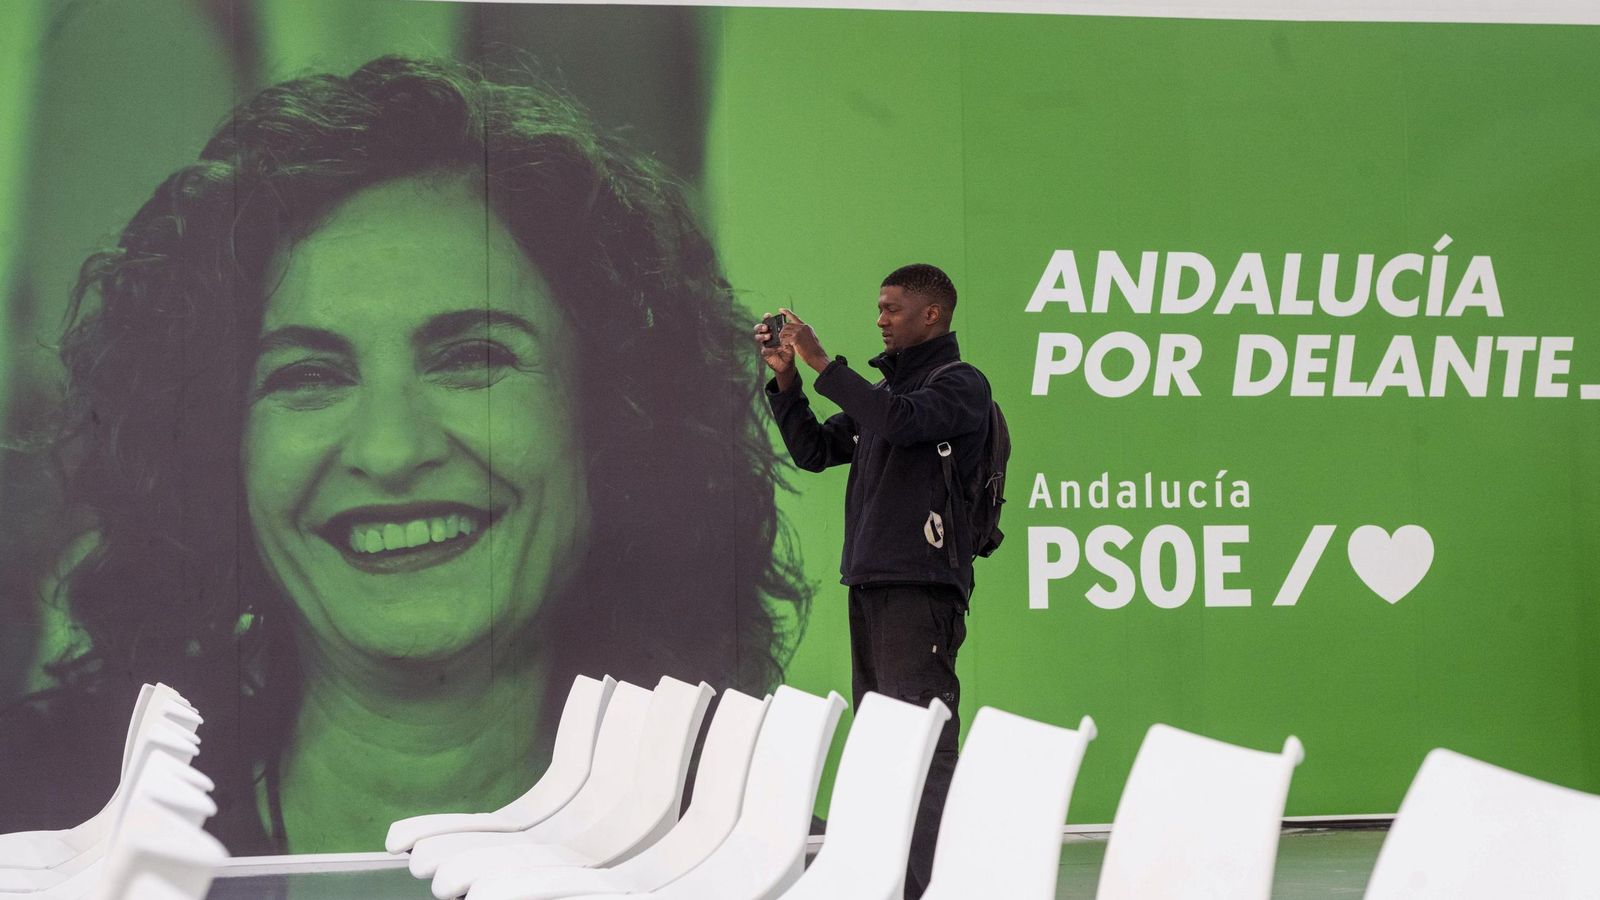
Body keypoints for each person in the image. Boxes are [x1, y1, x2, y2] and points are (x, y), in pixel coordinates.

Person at [0, 56, 807, 854]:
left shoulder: (788, 873)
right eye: (308, 374)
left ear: (612, 419)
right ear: (218, 454)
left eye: (471, 359)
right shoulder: (35, 824)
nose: (391, 451)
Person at [755, 263, 991, 900]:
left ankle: (938, 886)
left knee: (925, 738)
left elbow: (903, 422)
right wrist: (787, 379)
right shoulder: (885, 397)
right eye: (879, 309)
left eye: (891, 309)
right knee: (889, 742)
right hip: (873, 584)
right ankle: (897, 882)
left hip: (922, 587)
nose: (880, 319)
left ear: (931, 315)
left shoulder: (958, 386)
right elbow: (814, 452)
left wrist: (824, 362)